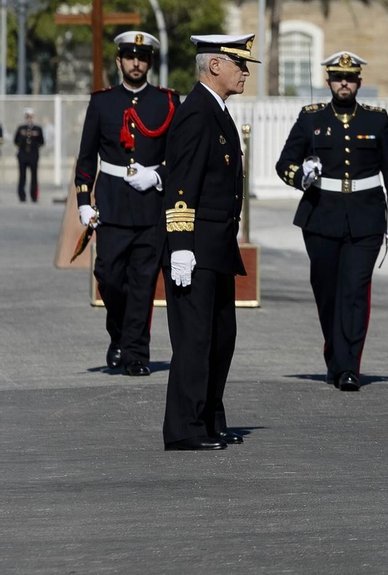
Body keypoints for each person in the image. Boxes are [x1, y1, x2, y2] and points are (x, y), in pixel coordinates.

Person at [275, 52, 388, 391]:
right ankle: (335, 356)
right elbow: (284, 163)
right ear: (328, 82)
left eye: (349, 78)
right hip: (321, 216)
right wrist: (301, 175)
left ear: (359, 82)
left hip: (366, 217)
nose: (343, 83)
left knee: (355, 292)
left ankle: (350, 367)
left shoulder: (376, 120)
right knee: (327, 294)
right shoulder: (311, 118)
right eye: (337, 77)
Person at [161, 34, 255, 451]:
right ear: (215, 65)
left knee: (220, 338)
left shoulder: (217, 111)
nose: (245, 72)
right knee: (194, 340)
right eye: (240, 64)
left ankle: (210, 420)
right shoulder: (196, 113)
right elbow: (182, 182)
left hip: (217, 246)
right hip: (195, 247)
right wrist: (181, 244)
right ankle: (184, 428)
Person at [75, 31, 177, 376]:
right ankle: (118, 333)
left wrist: (158, 175)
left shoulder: (167, 102)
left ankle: (135, 354)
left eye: (142, 58)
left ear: (150, 63)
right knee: (108, 276)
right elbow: (87, 156)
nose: (136, 63)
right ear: (119, 62)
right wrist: (83, 201)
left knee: (143, 283)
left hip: (151, 206)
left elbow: (180, 155)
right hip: (112, 204)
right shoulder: (102, 102)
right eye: (130, 57)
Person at [15, 107, 43, 202]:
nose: (29, 118)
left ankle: (34, 196)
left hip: (33, 155)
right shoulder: (21, 128)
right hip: (23, 155)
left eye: (30, 116)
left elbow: (41, 142)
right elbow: (16, 141)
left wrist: (34, 148)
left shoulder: (38, 129)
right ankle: (22, 196)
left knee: (34, 176)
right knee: (22, 176)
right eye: (27, 116)